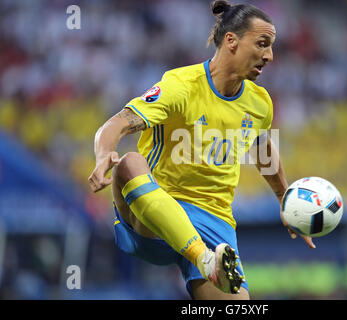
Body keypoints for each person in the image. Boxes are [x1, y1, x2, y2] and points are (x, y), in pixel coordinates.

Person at [88, 0, 315, 300]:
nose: (270, 56)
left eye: (271, 46)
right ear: (231, 41)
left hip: (215, 223)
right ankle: (202, 258)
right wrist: (104, 152)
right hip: (156, 212)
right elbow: (117, 123)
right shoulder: (181, 86)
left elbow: (260, 146)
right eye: (262, 44)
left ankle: (206, 261)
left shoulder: (260, 103)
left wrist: (283, 196)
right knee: (129, 163)